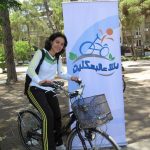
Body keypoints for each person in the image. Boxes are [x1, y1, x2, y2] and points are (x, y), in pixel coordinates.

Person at [26, 32, 78, 150]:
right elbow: (30, 70)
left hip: (49, 89)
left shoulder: (57, 57)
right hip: (35, 88)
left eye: (62, 44)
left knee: (57, 117)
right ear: (51, 42)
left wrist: (71, 77)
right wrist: (39, 81)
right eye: (57, 42)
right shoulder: (41, 53)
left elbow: (61, 73)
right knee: (48, 115)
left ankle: (59, 143)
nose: (59, 45)